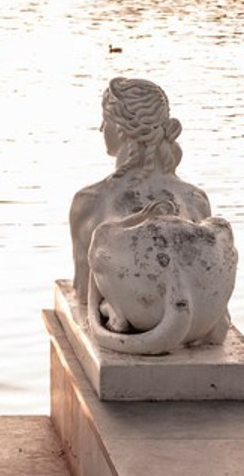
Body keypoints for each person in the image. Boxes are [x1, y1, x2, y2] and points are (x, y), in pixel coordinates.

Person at [69, 76, 212, 308]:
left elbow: (84, 294)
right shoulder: (196, 200)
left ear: (120, 128)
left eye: (105, 121)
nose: (101, 129)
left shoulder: (90, 202)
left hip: (124, 323)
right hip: (188, 319)